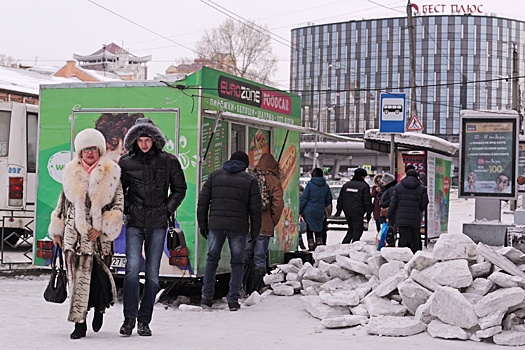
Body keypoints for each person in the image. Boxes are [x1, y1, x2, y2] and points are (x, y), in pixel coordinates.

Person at [48, 128, 124, 340]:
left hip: (99, 239)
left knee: (98, 280)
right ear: (80, 152)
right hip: (75, 236)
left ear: (99, 151)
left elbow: (118, 204)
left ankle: (99, 310)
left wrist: (103, 227)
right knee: (76, 281)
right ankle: (79, 323)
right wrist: (57, 230)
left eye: (93, 149)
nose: (90, 153)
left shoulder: (112, 171)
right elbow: (62, 203)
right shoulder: (70, 171)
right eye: (86, 149)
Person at [118, 118, 187, 336]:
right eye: (140, 139)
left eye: (148, 139)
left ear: (155, 140)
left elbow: (180, 188)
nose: (144, 144)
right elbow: (118, 191)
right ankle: (129, 319)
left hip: (157, 223)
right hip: (134, 224)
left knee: (152, 274)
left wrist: (167, 209)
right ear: (134, 140)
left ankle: (144, 321)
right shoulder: (126, 162)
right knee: (130, 270)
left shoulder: (168, 161)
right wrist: (128, 209)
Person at [198, 151, 262, 311]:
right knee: (237, 262)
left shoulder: (214, 176)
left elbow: (203, 202)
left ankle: (206, 297)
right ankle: (233, 300)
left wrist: (203, 224)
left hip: (216, 224)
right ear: (245, 165)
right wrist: (255, 231)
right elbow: (256, 209)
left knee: (212, 259)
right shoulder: (250, 180)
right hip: (238, 227)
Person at [243, 153, 284, 295]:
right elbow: (277, 204)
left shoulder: (249, 177)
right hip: (264, 225)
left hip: (247, 224)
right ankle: (256, 288)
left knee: (246, 255)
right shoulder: (273, 180)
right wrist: (273, 220)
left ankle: (243, 286)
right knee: (259, 257)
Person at [387, 169, 429, 253]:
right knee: (415, 237)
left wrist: (389, 215)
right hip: (415, 216)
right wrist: (418, 209)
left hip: (401, 216)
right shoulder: (421, 188)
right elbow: (425, 202)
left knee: (403, 236)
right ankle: (415, 254)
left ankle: (402, 255)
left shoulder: (398, 186)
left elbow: (393, 203)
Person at [335, 168, 372, 244]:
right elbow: (367, 201)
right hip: (358, 211)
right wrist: (369, 213)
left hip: (347, 210)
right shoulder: (364, 186)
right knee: (358, 229)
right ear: (362, 176)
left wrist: (339, 210)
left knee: (351, 228)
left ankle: (345, 244)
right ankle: (354, 245)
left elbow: (341, 198)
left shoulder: (346, 185)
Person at [300, 168, 332, 251]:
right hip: (320, 210)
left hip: (309, 211)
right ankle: (319, 246)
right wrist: (322, 204)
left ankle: (311, 246)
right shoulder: (325, 185)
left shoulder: (310, 185)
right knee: (319, 227)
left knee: (310, 228)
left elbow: (304, 198)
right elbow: (329, 199)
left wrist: (300, 210)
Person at [380, 173, 397, 247]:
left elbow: (392, 199)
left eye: (383, 182)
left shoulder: (391, 189)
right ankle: (389, 241)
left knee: (390, 228)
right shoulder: (388, 189)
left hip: (390, 212)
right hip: (388, 211)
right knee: (388, 227)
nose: (382, 183)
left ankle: (391, 242)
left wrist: (383, 204)